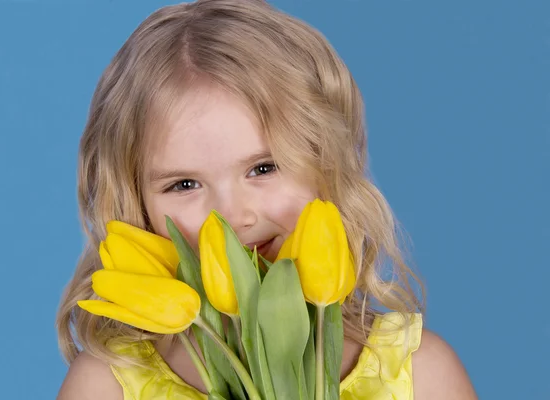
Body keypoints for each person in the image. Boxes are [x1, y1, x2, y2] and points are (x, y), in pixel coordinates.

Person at [56, 1, 477, 399]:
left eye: (263, 168)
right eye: (184, 184)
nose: (233, 217)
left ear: (327, 162)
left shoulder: (420, 373)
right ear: (136, 201)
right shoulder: (108, 385)